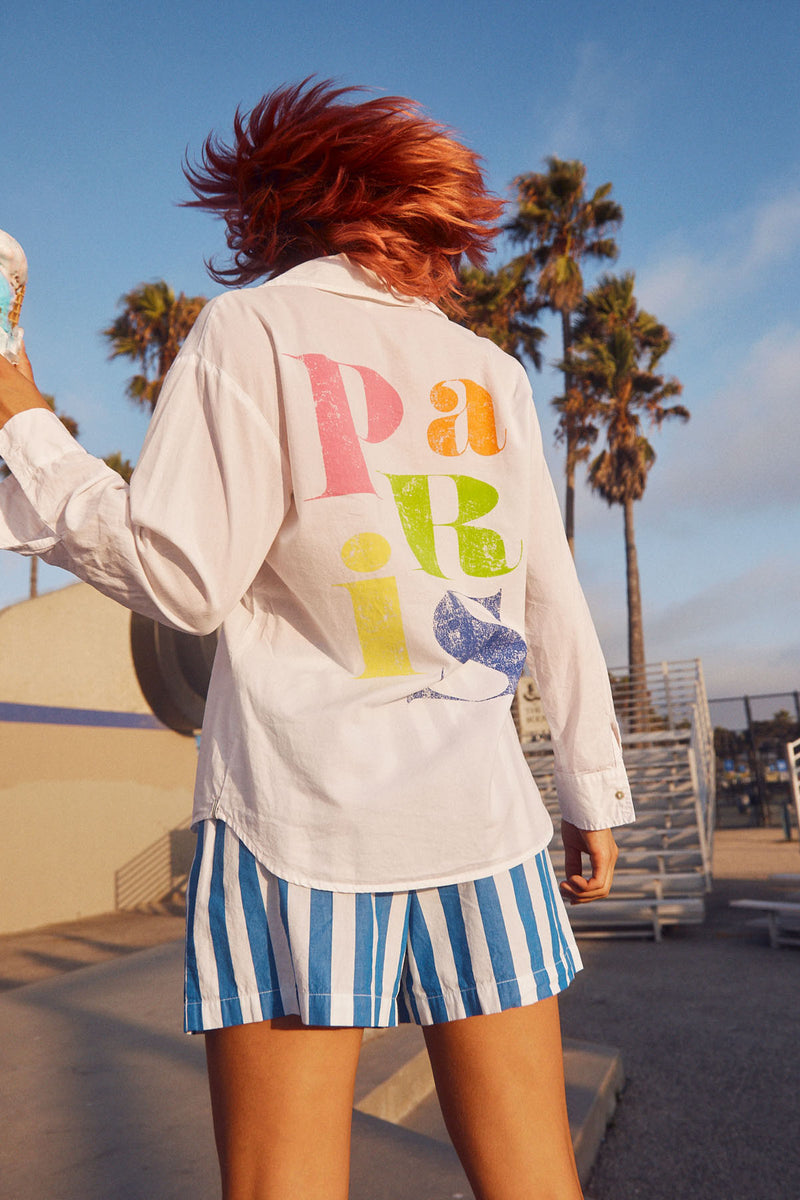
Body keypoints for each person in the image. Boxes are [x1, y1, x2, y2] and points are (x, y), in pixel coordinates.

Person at [0, 80, 634, 1200]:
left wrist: (27, 431)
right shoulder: (492, 374)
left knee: (283, 1184)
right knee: (535, 1176)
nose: (453, 265)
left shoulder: (250, 329)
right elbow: (551, 598)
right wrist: (589, 789)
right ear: (362, 213)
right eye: (438, 236)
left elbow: (180, 577)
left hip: (296, 826)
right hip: (482, 823)